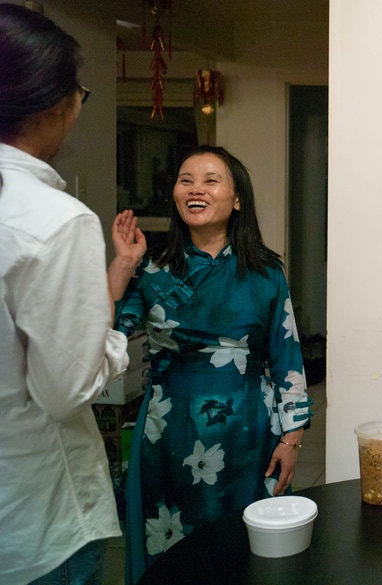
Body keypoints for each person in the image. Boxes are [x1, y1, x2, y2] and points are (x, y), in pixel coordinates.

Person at [107, 145, 313, 583]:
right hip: (168, 437)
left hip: (251, 437)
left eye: (210, 180)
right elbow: (102, 337)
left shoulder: (265, 273)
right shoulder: (153, 271)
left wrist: (291, 438)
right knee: (172, 556)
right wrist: (123, 264)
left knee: (245, 554)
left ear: (238, 199)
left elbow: (287, 357)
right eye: (186, 180)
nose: (195, 189)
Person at [0, 3, 129, 584]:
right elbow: (67, 388)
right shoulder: (53, 219)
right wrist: (116, 345)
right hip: (36, 518)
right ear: (59, 104)